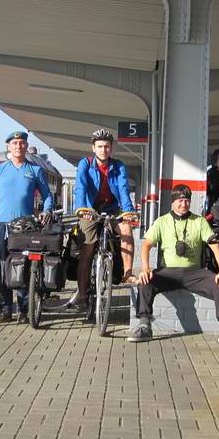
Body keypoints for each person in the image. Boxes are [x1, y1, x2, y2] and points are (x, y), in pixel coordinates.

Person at [131, 184, 219, 345]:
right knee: (145, 281)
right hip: (167, 272)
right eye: (180, 201)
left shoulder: (200, 221)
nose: (183, 204)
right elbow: (146, 245)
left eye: (187, 201)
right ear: (173, 202)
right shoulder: (162, 221)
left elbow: (215, 245)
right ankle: (144, 326)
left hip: (194, 273)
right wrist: (145, 268)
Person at [0, 131, 53, 322]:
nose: (18, 146)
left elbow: (47, 195)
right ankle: (5, 308)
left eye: (22, 143)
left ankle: (24, 308)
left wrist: (47, 210)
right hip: (2, 225)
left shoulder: (35, 170)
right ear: (9, 146)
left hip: (25, 226)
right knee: (3, 267)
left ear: (26, 146)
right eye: (14, 143)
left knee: (25, 267)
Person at [74, 129, 139, 310]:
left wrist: (128, 211)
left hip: (112, 210)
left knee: (126, 229)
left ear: (112, 148)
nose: (104, 150)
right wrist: (81, 208)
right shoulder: (85, 164)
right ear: (93, 148)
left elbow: (123, 188)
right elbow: (80, 186)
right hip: (90, 211)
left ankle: (127, 273)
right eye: (100, 146)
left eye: (107, 147)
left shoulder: (118, 166)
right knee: (86, 249)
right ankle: (81, 293)